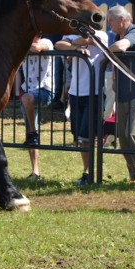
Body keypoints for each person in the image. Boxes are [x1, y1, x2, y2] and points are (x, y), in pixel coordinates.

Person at [55, 27, 108, 185]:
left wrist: (73, 42)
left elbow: (90, 40)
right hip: (75, 92)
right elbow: (58, 44)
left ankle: (92, 173)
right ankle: (86, 172)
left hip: (95, 92)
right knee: (81, 137)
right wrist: (76, 48)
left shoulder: (101, 35)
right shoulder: (70, 35)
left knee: (88, 136)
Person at [107, 5, 135, 183]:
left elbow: (122, 46)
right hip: (123, 92)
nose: (109, 24)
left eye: (111, 21)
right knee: (124, 137)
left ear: (121, 20)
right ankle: (134, 174)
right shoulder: (119, 34)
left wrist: (107, 50)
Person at [20, 35, 55, 180]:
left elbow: (37, 48)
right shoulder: (23, 46)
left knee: (27, 98)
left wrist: (21, 43)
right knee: (29, 132)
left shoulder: (45, 41)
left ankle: (34, 134)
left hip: (45, 90)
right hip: (28, 92)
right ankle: (35, 171)